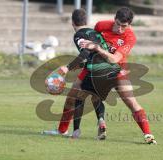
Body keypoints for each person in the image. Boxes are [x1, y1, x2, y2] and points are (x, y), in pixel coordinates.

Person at [77, 7, 157, 144]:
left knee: (131, 102)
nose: (120, 29)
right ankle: (73, 130)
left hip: (117, 71)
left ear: (129, 25)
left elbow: (114, 59)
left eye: (124, 26)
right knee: (81, 93)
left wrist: (97, 48)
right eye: (118, 24)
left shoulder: (130, 37)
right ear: (115, 19)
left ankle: (148, 135)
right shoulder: (101, 25)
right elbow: (91, 42)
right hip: (98, 69)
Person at [43, 9, 120, 140]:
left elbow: (85, 53)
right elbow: (95, 53)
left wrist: (68, 68)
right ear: (86, 21)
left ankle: (76, 131)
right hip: (111, 70)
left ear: (72, 22)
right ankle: (101, 120)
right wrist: (79, 65)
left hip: (97, 70)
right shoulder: (95, 32)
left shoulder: (79, 35)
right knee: (96, 98)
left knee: (79, 96)